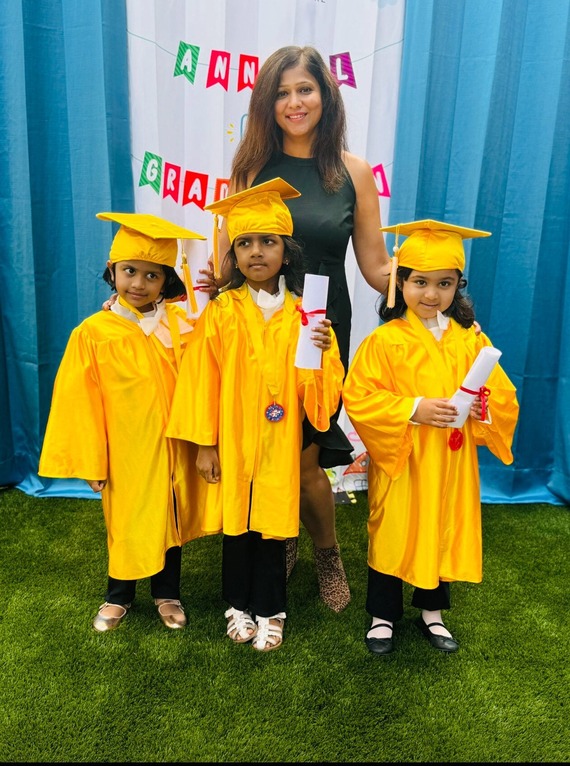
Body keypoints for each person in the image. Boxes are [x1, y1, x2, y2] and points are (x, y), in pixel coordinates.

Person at [210, 45, 391, 612]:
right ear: (267, 102)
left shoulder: (352, 172)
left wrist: (432, 284)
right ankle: (276, 542)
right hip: (255, 333)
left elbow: (375, 265)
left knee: (307, 456)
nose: (294, 102)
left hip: (319, 334)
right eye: (282, 92)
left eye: (305, 89)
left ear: (325, 96)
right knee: (264, 445)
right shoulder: (248, 171)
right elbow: (223, 266)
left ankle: (326, 551)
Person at [166, 179, 345, 651]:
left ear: (286, 252)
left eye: (268, 241)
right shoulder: (222, 312)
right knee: (238, 527)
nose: (256, 252)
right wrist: (206, 444)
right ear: (234, 256)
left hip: (281, 437)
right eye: (244, 243)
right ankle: (237, 606)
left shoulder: (307, 315)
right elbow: (201, 379)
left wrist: (323, 354)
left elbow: (320, 399)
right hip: (236, 437)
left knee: (273, 525)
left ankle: (272, 610)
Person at [342, 219, 519, 655]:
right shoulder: (384, 341)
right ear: (399, 282)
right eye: (419, 282)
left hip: (451, 460)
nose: (431, 294)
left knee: (440, 525)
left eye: (445, 283)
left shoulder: (470, 340)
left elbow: (501, 393)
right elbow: (359, 395)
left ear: (458, 286)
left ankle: (432, 614)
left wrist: (483, 407)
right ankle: (382, 615)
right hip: (405, 456)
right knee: (394, 529)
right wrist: (413, 409)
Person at [38, 212, 208, 633]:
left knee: (170, 516)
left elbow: (207, 379)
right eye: (129, 271)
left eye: (152, 275)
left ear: (168, 280)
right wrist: (93, 460)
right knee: (127, 520)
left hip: (175, 446)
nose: (138, 283)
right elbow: (79, 402)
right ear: (112, 271)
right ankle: (119, 596)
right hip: (126, 450)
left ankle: (167, 593)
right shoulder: (94, 332)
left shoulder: (183, 325)